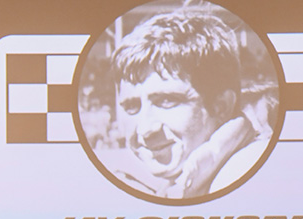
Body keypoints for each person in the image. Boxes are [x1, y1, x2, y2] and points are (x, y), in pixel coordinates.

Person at [107, 6, 271, 198]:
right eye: (131, 107)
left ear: (221, 107)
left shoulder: (250, 174)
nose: (145, 129)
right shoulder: (187, 176)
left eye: (167, 101)